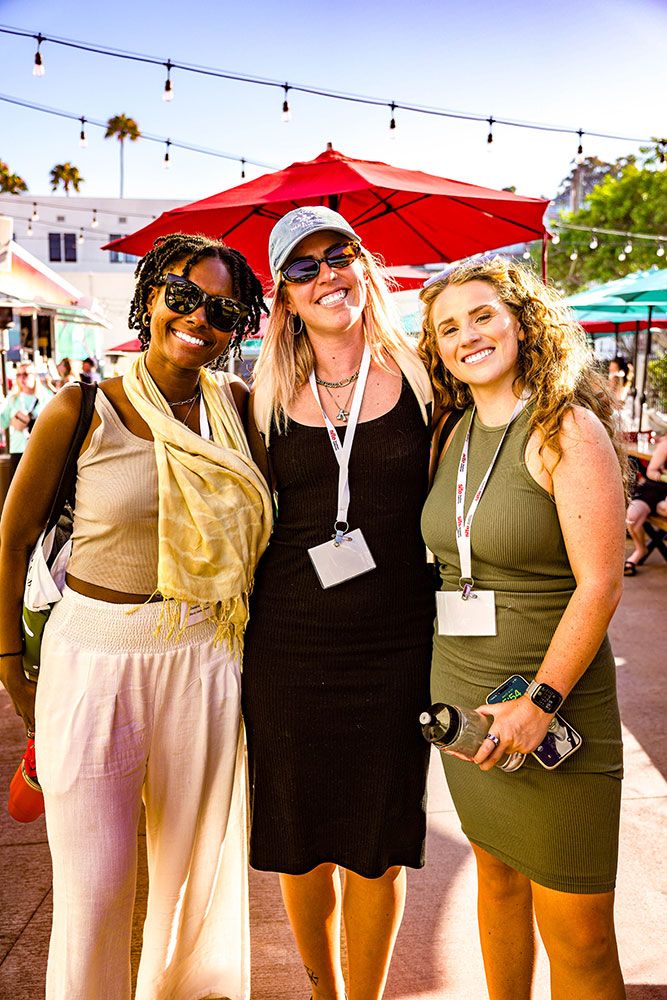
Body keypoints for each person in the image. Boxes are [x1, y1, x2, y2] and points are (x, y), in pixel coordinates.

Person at [0, 233, 273, 1000]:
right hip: (92, 659)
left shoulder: (239, 411)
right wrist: (10, 667)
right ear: (149, 297)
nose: (198, 318)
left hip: (206, 658)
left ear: (238, 327)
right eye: (181, 295)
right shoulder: (81, 408)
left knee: (193, 886)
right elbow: (12, 540)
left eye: (222, 310)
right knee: (94, 891)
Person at [419, 256, 627, 1000]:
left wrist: (540, 702)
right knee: (497, 877)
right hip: (464, 693)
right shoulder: (452, 432)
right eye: (448, 328)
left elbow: (600, 584)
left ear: (522, 323)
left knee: (579, 931)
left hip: (551, 702)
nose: (467, 336)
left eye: (482, 316)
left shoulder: (565, 427)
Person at [244, 206, 435, 1000]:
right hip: (288, 648)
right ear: (285, 298)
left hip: (397, 647)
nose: (326, 275)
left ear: (363, 267)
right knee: (299, 844)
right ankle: (324, 994)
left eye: (339, 255)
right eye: (303, 267)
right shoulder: (260, 401)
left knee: (377, 845)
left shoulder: (426, 381)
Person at [0, 361, 52, 477]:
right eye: (18, 375)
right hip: (18, 449)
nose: (22, 378)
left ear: (35, 376)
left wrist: (31, 422)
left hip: (40, 450)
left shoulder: (46, 397)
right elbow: (2, 422)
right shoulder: (13, 399)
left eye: (26, 374)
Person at [624, 434, 667, 573]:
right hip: (655, 488)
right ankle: (640, 550)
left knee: (664, 508)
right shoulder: (665, 445)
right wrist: (664, 476)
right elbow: (651, 471)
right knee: (631, 516)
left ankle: (661, 508)